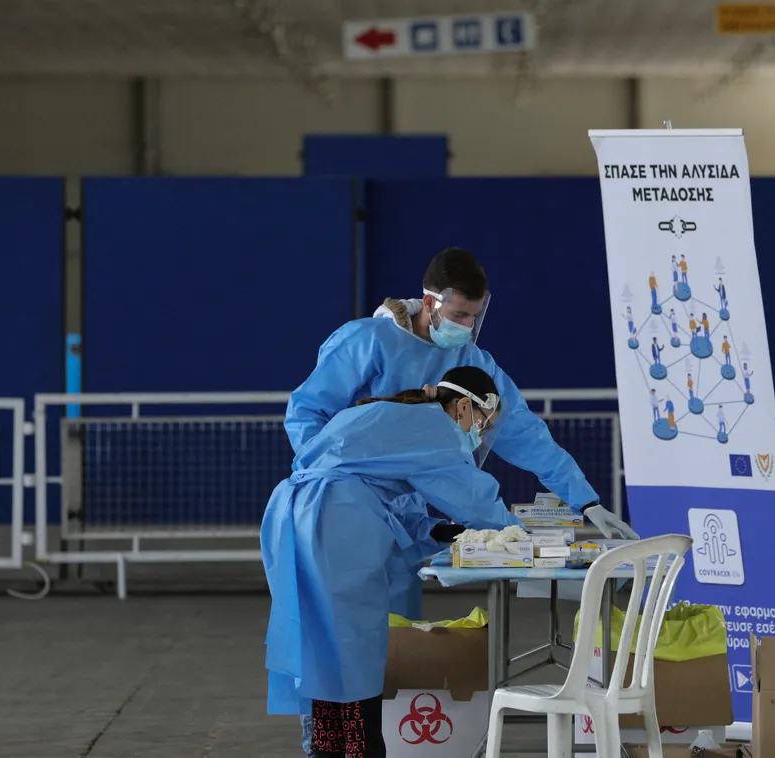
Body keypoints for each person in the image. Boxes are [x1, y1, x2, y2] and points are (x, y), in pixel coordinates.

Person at [284, 247, 638, 756]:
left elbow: (527, 435)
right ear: (429, 303)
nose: (468, 328)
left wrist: (586, 502)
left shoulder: (464, 373)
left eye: (476, 316)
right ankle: (332, 749)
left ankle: (347, 747)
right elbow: (468, 492)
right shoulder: (387, 370)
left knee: (375, 652)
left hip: (383, 522)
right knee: (339, 651)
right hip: (334, 516)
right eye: (459, 316)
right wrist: (324, 473)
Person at [262, 367, 523, 758]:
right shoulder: (437, 428)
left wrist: (436, 530)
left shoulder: (391, 414)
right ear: (465, 407)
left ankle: (328, 746)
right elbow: (474, 498)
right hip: (335, 522)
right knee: (353, 644)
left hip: (292, 515)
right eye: (484, 423)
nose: (480, 433)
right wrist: (520, 534)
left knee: (316, 639)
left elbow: (382, 495)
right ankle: (361, 749)